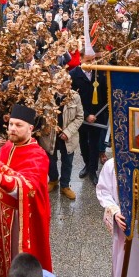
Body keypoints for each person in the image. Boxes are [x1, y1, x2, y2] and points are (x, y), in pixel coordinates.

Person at [0, 103, 52, 277]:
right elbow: (1, 166)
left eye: (18, 125)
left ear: (30, 128)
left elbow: (31, 186)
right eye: (11, 124)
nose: (13, 129)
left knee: (16, 253)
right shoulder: (8, 146)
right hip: (0, 210)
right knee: (0, 251)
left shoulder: (38, 155)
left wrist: (2, 180)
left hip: (19, 217)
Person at [41, 73, 83, 201]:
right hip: (50, 135)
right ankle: (53, 180)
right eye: (64, 85)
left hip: (67, 137)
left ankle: (65, 185)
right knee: (50, 160)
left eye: (69, 84)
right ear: (56, 84)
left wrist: (68, 132)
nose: (68, 87)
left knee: (68, 162)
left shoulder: (75, 96)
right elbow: (37, 110)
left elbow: (79, 117)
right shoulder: (46, 94)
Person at [70, 59, 108, 180]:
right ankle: (87, 164)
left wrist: (102, 112)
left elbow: (105, 94)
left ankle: (93, 170)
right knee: (83, 141)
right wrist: (86, 115)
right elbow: (72, 97)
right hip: (81, 115)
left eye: (93, 59)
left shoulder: (100, 73)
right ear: (81, 59)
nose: (91, 62)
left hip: (97, 115)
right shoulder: (73, 74)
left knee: (94, 143)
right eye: (88, 60)